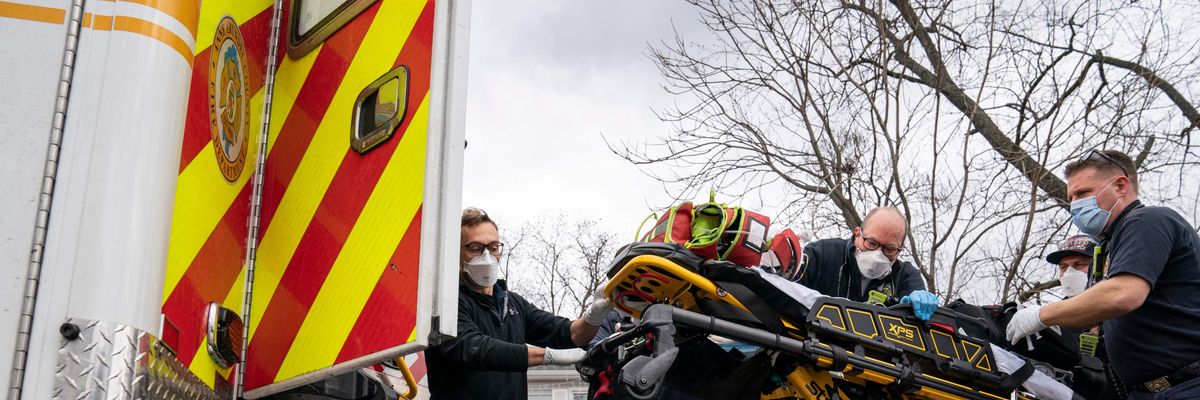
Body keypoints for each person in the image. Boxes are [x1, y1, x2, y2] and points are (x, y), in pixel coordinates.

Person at [1006, 150, 1200, 398]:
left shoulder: (1147, 220)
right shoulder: (1108, 249)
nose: (1075, 203)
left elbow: (1123, 295)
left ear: (1120, 186)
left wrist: (1042, 315)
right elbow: (1088, 318)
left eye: (1083, 193)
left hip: (1187, 386)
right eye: (1071, 197)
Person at [426, 207, 612, 399]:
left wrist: (594, 316)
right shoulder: (443, 303)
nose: (487, 256)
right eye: (475, 248)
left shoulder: (513, 304)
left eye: (493, 247)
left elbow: (571, 334)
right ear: (457, 253)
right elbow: (474, 349)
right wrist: (545, 356)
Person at [797, 207, 940, 320]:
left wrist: (916, 305)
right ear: (858, 233)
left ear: (899, 250)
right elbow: (792, 282)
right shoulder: (823, 253)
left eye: (889, 249)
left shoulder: (906, 276)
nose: (878, 254)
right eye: (871, 243)